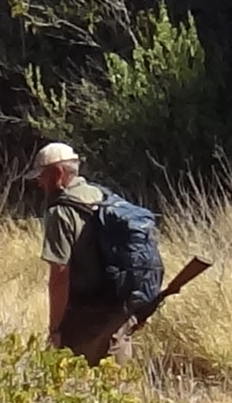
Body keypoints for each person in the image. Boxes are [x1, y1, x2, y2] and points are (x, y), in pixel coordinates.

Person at [29, 141, 160, 362]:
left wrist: (55, 329)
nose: (39, 182)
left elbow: (60, 274)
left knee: (72, 387)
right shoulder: (104, 195)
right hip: (121, 309)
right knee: (118, 388)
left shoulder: (60, 212)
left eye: (42, 175)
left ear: (58, 173)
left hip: (86, 317)